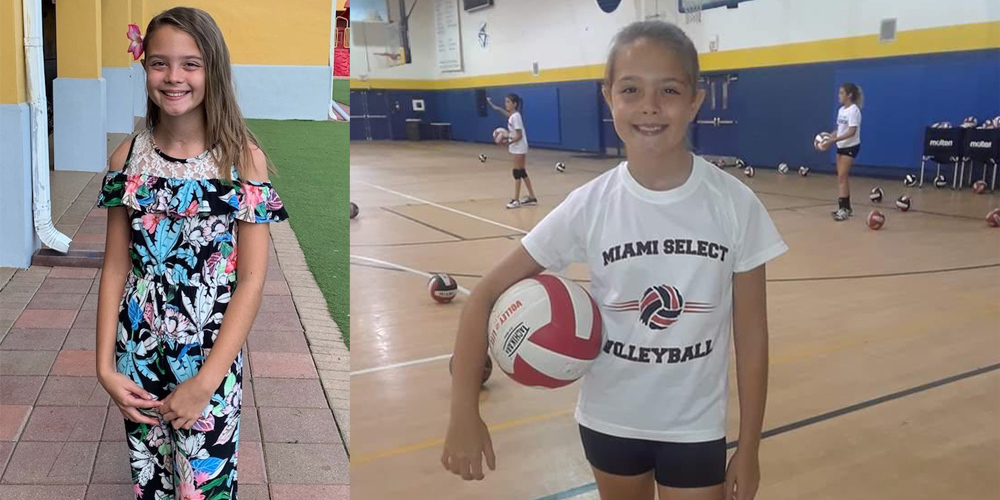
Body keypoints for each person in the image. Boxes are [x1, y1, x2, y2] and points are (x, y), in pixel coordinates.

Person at [443, 20, 787, 500]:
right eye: (631, 89)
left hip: (693, 426)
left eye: (668, 89)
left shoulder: (734, 204)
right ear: (609, 98)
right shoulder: (592, 204)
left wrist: (749, 447)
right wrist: (463, 411)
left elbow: (752, 336)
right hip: (610, 423)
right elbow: (482, 295)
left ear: (695, 101)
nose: (649, 105)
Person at [95, 7, 288, 499]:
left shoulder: (241, 161)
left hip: (210, 361)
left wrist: (206, 382)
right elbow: (117, 265)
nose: (174, 77)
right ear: (144, 68)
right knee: (151, 481)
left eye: (190, 63)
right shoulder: (128, 158)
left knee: (203, 487)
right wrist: (104, 366)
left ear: (213, 70)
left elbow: (251, 281)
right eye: (160, 63)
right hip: (137, 356)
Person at [487, 93, 538, 208]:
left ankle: (515, 200)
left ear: (514, 104)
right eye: (505, 102)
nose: (506, 104)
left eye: (508, 102)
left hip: (518, 147)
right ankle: (532, 197)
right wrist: (497, 108)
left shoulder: (516, 117)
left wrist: (506, 142)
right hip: (517, 146)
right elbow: (508, 115)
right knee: (522, 172)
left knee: (517, 172)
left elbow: (519, 135)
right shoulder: (513, 116)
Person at [822, 83, 863, 221]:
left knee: (842, 176)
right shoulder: (841, 110)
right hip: (841, 145)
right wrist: (828, 138)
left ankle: (843, 209)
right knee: (842, 177)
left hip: (850, 147)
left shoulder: (854, 110)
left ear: (849, 95)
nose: (839, 96)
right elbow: (839, 129)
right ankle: (847, 207)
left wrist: (833, 141)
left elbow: (852, 132)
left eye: (841, 93)